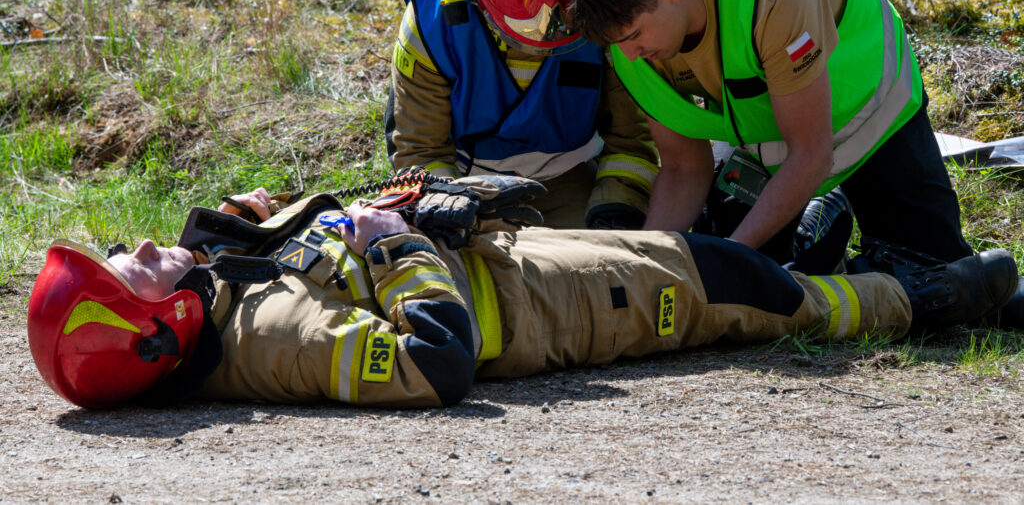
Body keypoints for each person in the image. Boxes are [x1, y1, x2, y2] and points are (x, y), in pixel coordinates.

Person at [27, 176, 1017, 410]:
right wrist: (402, 243)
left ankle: (843, 271)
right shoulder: (275, 334)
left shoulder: (231, 294)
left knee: (711, 253)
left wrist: (250, 222)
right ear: (159, 325)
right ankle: (921, 302)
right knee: (738, 279)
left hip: (518, 264)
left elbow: (317, 249)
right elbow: (434, 359)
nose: (147, 242)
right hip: (554, 312)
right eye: (134, 267)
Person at [565, 0, 975, 273]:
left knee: (934, 272)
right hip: (770, 138)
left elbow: (811, 155)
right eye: (620, 44)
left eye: (635, 35)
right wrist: (647, 263)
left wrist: (734, 256)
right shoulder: (629, 44)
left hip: (871, 118)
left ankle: (836, 212)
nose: (631, 54)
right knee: (742, 266)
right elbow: (681, 167)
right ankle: (819, 220)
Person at [385, 0, 659, 230]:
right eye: (522, 24)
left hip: (571, 176)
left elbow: (632, 141)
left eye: (563, 24)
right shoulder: (431, 19)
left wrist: (616, 211)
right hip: (465, 189)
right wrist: (443, 201)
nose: (536, 44)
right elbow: (421, 150)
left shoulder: (611, 11)